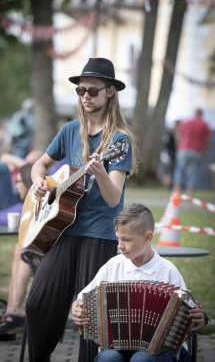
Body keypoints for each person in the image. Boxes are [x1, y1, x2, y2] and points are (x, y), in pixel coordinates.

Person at [25, 57, 138, 362]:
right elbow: (41, 164)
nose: (85, 96)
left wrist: (99, 171)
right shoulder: (70, 130)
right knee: (38, 304)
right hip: (61, 230)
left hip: (98, 234)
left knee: (90, 314)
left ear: (110, 92)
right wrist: (39, 182)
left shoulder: (119, 141)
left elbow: (114, 198)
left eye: (92, 90)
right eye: (80, 91)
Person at [72, 203, 207, 362]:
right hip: (115, 346)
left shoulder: (168, 271)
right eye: (118, 238)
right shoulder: (113, 266)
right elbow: (82, 299)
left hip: (159, 350)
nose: (120, 245)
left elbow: (190, 317)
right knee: (108, 358)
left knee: (141, 359)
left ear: (148, 237)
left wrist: (198, 320)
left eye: (126, 240)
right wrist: (77, 309)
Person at [0, 164, 37, 342]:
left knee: (23, 249)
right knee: (19, 248)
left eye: (19, 182)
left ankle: (13, 312)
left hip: (52, 261)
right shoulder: (27, 206)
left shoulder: (40, 204)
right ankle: (11, 313)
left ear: (28, 182)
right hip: (37, 256)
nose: (16, 186)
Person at [173, 109, 211, 195]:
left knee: (180, 169)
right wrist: (205, 150)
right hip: (197, 151)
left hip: (184, 149)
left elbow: (179, 135)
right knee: (194, 171)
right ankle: (190, 190)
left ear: (194, 113)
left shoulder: (186, 122)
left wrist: (178, 147)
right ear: (201, 114)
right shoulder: (205, 124)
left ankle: (177, 189)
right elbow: (207, 139)